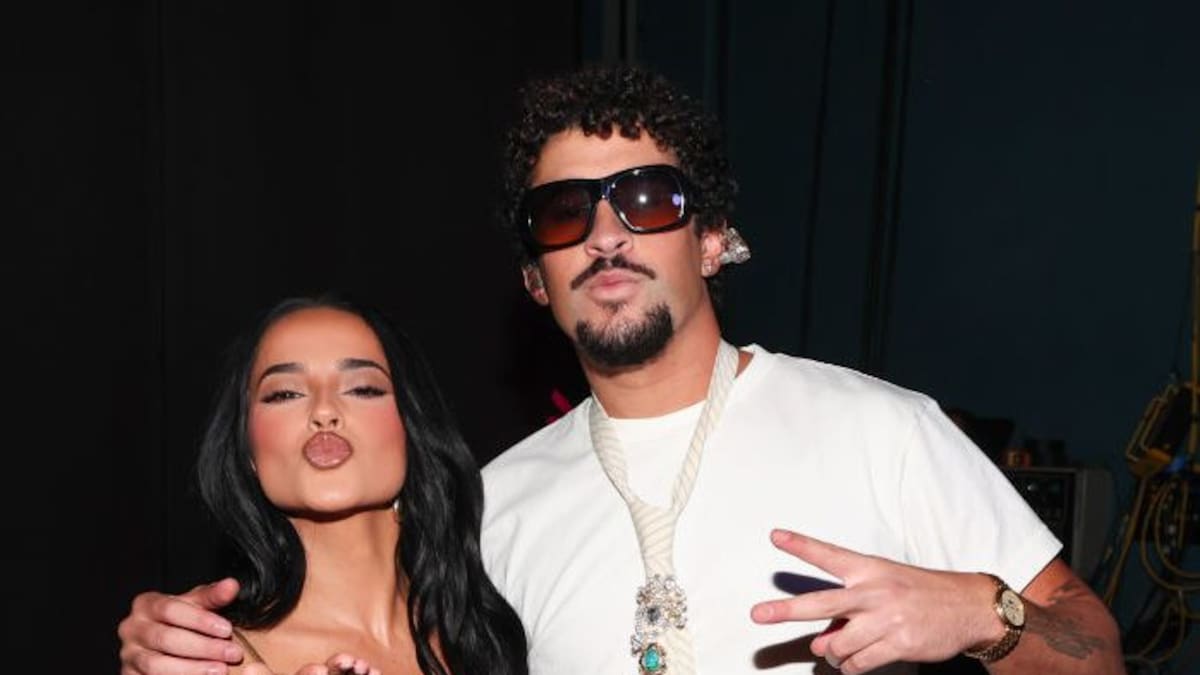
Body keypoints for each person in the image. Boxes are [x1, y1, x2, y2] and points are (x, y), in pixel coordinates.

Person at [118, 65, 1122, 674]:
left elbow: (1097, 648)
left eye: (646, 199)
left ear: (713, 238)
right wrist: (180, 639)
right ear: (535, 278)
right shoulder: (492, 508)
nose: (605, 234)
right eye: (565, 213)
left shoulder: (881, 429)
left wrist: (988, 615)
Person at [117, 295, 526, 675]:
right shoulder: (212, 660)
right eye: (285, 394)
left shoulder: (492, 625)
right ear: (247, 450)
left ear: (411, 428)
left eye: (363, 388)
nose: (324, 410)